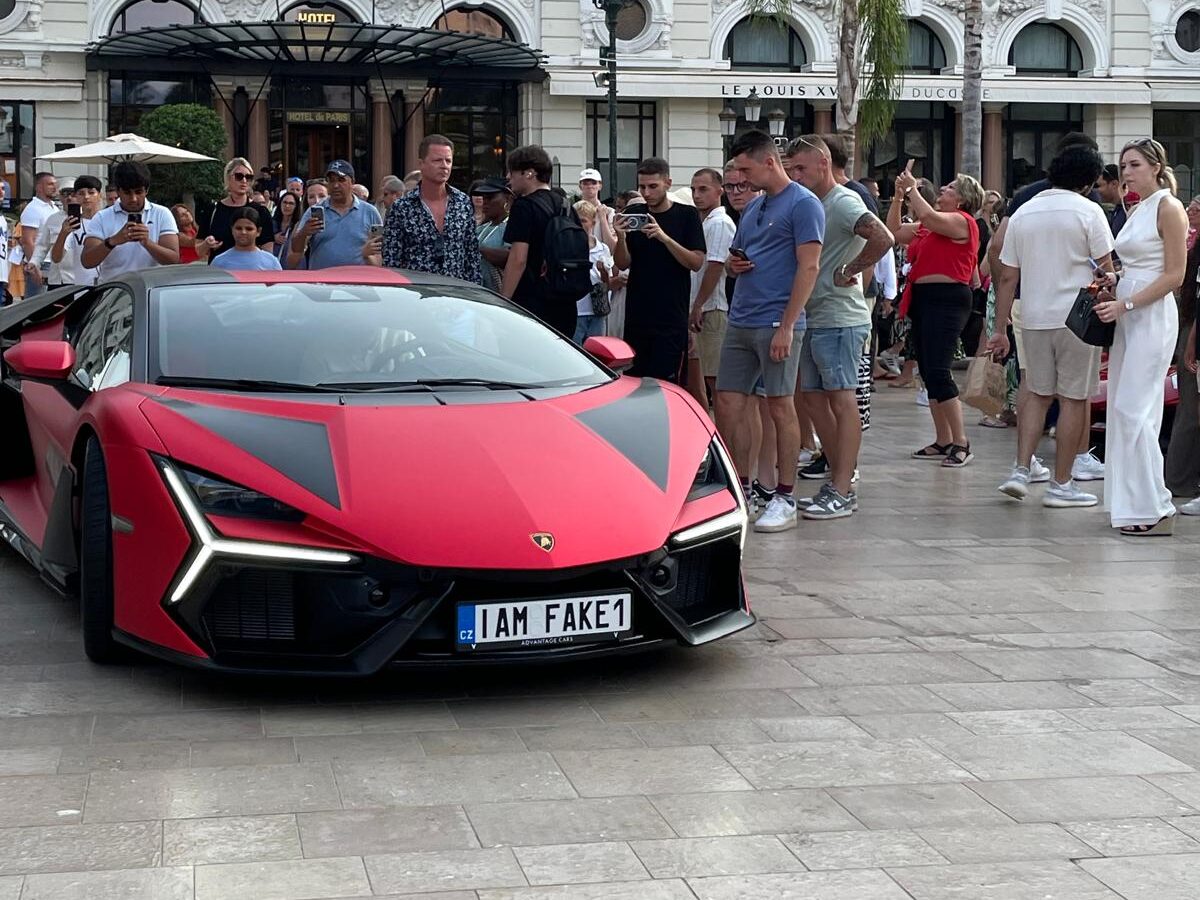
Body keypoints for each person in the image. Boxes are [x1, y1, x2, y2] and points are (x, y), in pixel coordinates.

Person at [988, 144, 1114, 508]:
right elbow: (1106, 270)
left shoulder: (1024, 212)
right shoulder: (1090, 211)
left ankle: (1020, 469)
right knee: (1074, 398)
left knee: (1036, 393)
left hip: (1034, 316)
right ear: (1089, 180)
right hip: (1078, 317)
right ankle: (1062, 483)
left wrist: (999, 328)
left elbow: (1008, 277)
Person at [716, 129, 824, 533]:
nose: (740, 179)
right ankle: (740, 488)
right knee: (727, 402)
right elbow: (734, 256)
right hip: (742, 317)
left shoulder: (804, 204)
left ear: (768, 161)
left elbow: (809, 267)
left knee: (780, 405)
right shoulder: (756, 206)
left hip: (777, 321)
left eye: (745, 168)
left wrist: (788, 325)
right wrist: (733, 265)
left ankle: (784, 495)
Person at [785, 135, 893, 518]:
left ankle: (843, 487)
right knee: (814, 398)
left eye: (800, 167)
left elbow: (883, 236)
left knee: (841, 398)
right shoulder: (814, 203)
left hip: (840, 318)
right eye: (790, 168)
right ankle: (838, 475)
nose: (794, 174)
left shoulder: (844, 201)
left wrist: (850, 269)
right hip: (816, 316)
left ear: (823, 162)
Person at [1093, 139, 1187, 535]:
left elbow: (1174, 275)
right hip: (1130, 313)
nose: (1125, 172)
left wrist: (1125, 305)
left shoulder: (1169, 207)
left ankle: (1153, 507)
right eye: (1122, 165)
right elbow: (1137, 262)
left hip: (1150, 316)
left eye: (1132, 165)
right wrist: (1114, 280)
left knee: (1136, 408)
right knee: (1124, 408)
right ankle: (1136, 504)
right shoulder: (1139, 207)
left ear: (1154, 166)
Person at [888, 170, 983, 467]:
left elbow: (929, 217)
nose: (943, 188)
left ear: (963, 199)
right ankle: (943, 439)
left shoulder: (961, 222)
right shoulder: (929, 226)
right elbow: (893, 231)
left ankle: (961, 441)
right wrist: (899, 196)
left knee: (940, 370)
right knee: (928, 372)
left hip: (948, 299)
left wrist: (914, 188)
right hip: (924, 299)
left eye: (951, 187)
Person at [612, 157, 706, 382]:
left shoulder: (687, 216)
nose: (646, 192)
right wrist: (621, 237)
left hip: (671, 318)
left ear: (668, 183)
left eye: (653, 186)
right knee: (635, 383)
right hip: (638, 317)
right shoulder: (635, 211)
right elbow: (623, 263)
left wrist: (664, 238)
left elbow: (696, 262)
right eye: (642, 186)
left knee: (667, 385)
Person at [502, 144, 583, 337]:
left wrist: (503, 300)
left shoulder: (524, 206)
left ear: (529, 173)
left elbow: (518, 259)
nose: (508, 177)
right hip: (565, 300)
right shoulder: (566, 205)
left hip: (532, 302)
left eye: (512, 172)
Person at [378, 135, 481, 283]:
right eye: (437, 160)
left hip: (457, 296)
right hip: (416, 297)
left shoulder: (463, 203)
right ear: (421, 163)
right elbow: (391, 261)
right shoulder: (401, 208)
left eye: (448, 161)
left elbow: (472, 258)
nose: (444, 165)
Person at [81, 160, 180, 279]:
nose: (133, 198)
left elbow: (173, 259)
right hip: (115, 290)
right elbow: (87, 262)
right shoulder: (102, 217)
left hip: (151, 288)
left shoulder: (162, 213)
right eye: (127, 193)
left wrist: (147, 243)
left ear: (146, 190)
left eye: (139, 192)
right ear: (118, 191)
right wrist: (112, 241)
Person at [688, 167, 737, 403]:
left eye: (703, 189)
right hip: (702, 309)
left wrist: (698, 305)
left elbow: (715, 267)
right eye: (694, 190)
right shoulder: (705, 222)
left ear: (719, 190)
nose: (697, 195)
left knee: (716, 381)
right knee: (701, 377)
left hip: (711, 309)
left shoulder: (719, 223)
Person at [289, 160, 382, 270]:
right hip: (322, 283)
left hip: (358, 283)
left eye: (341, 180)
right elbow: (296, 250)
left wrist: (368, 255)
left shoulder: (370, 212)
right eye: (331, 181)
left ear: (352, 182)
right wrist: (304, 232)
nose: (336, 185)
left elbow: (378, 256)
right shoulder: (314, 211)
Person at [197, 158, 274, 263]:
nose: (244, 181)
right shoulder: (213, 210)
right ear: (228, 178)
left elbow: (268, 252)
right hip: (220, 272)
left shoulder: (261, 211)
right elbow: (199, 250)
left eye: (248, 177)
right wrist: (207, 244)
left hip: (251, 271)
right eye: (239, 176)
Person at [571, 199, 615, 344]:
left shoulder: (602, 248)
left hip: (597, 310)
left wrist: (603, 272)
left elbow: (608, 284)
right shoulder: (567, 246)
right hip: (576, 310)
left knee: (596, 352)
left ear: (593, 223)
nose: (579, 224)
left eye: (583, 220)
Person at [19, 171, 58, 298]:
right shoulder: (33, 209)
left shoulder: (54, 207)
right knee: (36, 307)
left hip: (53, 263)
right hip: (42, 263)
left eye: (55, 184)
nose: (55, 187)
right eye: (50, 184)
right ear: (39, 187)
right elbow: (27, 241)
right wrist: (35, 267)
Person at [471, 177, 511, 293]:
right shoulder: (481, 228)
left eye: (490, 198)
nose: (485, 202)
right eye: (484, 198)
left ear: (507, 199)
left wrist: (478, 249)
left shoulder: (512, 227)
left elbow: (510, 257)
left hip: (497, 295)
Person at [211, 207, 283, 271]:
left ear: (258, 231)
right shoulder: (219, 262)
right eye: (239, 228)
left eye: (249, 229)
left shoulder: (271, 262)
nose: (243, 232)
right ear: (232, 230)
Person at [578, 168, 617, 250]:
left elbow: (612, 247)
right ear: (580, 186)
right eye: (585, 183)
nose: (590, 186)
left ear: (600, 186)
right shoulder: (572, 210)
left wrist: (603, 219)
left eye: (594, 183)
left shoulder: (609, 212)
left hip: (603, 259)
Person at [272, 191, 302, 263]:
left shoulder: (299, 225)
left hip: (292, 266)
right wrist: (272, 238)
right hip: (273, 266)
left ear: (296, 206)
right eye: (285, 202)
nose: (287, 206)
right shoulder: (272, 223)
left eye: (291, 203)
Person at [1098, 164, 1127, 236]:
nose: (1096, 190)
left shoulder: (1128, 211)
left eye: (1099, 186)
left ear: (1114, 184)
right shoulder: (1118, 210)